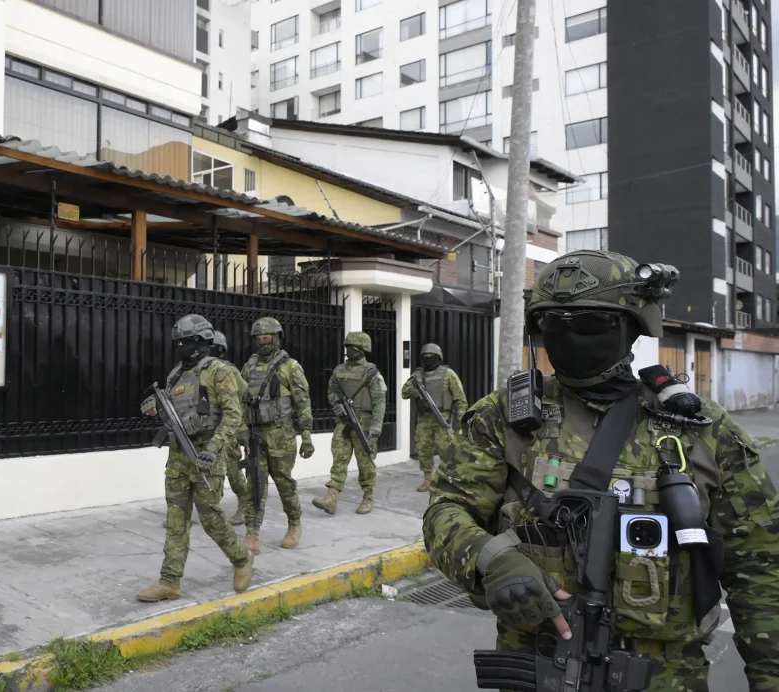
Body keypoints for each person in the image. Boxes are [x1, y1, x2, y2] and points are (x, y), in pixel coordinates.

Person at [422, 250, 779, 690]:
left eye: (592, 323)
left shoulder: (702, 430)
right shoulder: (503, 418)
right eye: (555, 324)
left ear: (633, 325)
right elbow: (446, 511)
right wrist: (491, 560)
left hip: (666, 677)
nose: (571, 337)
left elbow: (761, 567)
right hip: (540, 665)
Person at [137, 314, 254, 602]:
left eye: (186, 342)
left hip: (207, 455)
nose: (180, 347)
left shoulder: (219, 371)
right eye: (177, 342)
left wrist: (214, 447)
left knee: (211, 518)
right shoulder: (175, 374)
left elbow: (233, 415)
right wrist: (153, 405)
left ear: (202, 343)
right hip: (179, 456)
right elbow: (171, 407)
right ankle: (169, 581)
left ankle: (241, 558)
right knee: (176, 520)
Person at [240, 317, 315, 554]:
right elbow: (239, 401)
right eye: (259, 338)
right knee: (255, 485)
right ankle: (252, 534)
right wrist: (240, 429)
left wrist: (307, 437)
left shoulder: (289, 366)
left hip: (281, 435)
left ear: (276, 338)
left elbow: (303, 402)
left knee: (284, 483)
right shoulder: (248, 367)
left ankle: (294, 524)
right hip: (255, 436)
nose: (263, 342)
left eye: (267, 338)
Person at [313, 332, 387, 516]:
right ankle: (331, 498)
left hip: (365, 423)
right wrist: (337, 404)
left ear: (362, 350)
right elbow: (332, 391)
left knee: (365, 463)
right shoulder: (339, 370)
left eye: (352, 348)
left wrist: (376, 428)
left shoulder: (371, 373)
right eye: (347, 347)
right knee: (339, 459)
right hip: (344, 423)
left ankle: (367, 497)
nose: (348, 351)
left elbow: (379, 402)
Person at [400, 343, 468, 493]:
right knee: (424, 450)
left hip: (442, 418)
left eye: (432, 357)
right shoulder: (417, 376)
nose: (428, 359)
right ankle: (427, 480)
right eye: (426, 357)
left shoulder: (448, 374)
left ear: (438, 358)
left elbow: (460, 399)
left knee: (446, 450)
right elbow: (404, 392)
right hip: (424, 419)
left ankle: (449, 480)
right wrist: (415, 392)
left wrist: (461, 419)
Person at [209, 330, 251, 526]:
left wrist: (241, 427)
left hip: (226, 429)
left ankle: (245, 505)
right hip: (204, 430)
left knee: (232, 470)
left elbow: (244, 396)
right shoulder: (196, 370)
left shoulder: (228, 370)